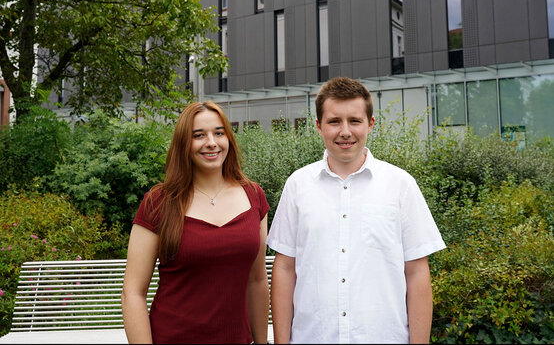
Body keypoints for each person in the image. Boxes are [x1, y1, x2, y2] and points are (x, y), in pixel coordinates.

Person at [267, 77, 446, 344]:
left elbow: (417, 272)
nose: (345, 131)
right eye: (334, 121)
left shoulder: (401, 185)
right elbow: (284, 269)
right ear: (318, 126)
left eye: (354, 120)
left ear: (370, 124)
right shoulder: (297, 185)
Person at [122, 101, 270, 344]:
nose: (211, 142)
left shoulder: (254, 196)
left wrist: (262, 342)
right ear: (184, 144)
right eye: (198, 135)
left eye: (219, 133)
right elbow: (133, 293)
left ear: (229, 139)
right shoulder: (159, 202)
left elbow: (257, 280)